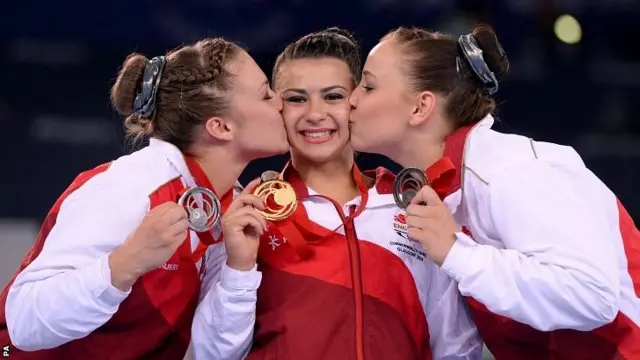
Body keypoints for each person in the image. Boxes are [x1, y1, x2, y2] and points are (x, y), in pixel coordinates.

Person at [347, 24, 640, 359]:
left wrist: (458, 253)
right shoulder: (445, 192)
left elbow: (593, 296)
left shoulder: (512, 170)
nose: (351, 99)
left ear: (420, 107)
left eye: (367, 86)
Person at [191, 27, 483, 360]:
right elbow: (210, 353)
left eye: (333, 96)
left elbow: (455, 344)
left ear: (356, 102)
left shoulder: (413, 207)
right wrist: (239, 268)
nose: (315, 114)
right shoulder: (249, 213)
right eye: (296, 98)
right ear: (277, 109)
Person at [0, 37, 288, 359]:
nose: (282, 103)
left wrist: (239, 268)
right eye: (266, 94)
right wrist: (125, 264)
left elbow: (214, 354)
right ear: (220, 127)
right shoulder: (130, 187)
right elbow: (23, 321)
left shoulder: (226, 207)